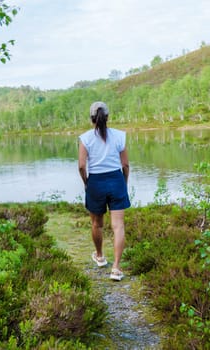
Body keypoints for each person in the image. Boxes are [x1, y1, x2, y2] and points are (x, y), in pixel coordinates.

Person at [78, 101, 130, 281]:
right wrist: (124, 182)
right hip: (116, 180)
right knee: (118, 226)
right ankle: (116, 268)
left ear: (92, 118)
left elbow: (81, 166)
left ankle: (100, 256)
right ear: (107, 117)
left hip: (96, 182)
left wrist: (87, 183)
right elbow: (125, 164)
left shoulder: (85, 138)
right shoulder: (119, 136)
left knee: (96, 224)